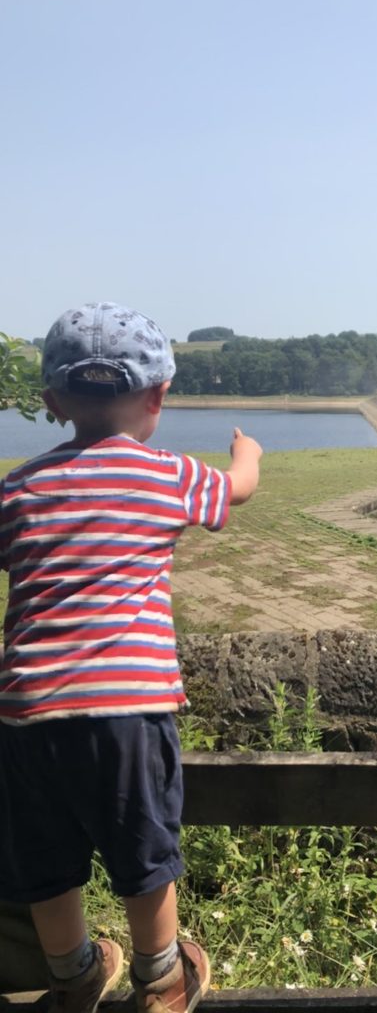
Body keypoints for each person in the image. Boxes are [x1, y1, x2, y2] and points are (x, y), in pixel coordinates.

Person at [0, 302, 262, 1013]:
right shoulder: (168, 476)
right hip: (127, 712)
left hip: (28, 715)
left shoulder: (17, 491)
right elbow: (234, 490)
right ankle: (161, 977)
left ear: (52, 402)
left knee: (46, 865)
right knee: (143, 856)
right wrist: (248, 454)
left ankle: (75, 971)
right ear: (159, 396)